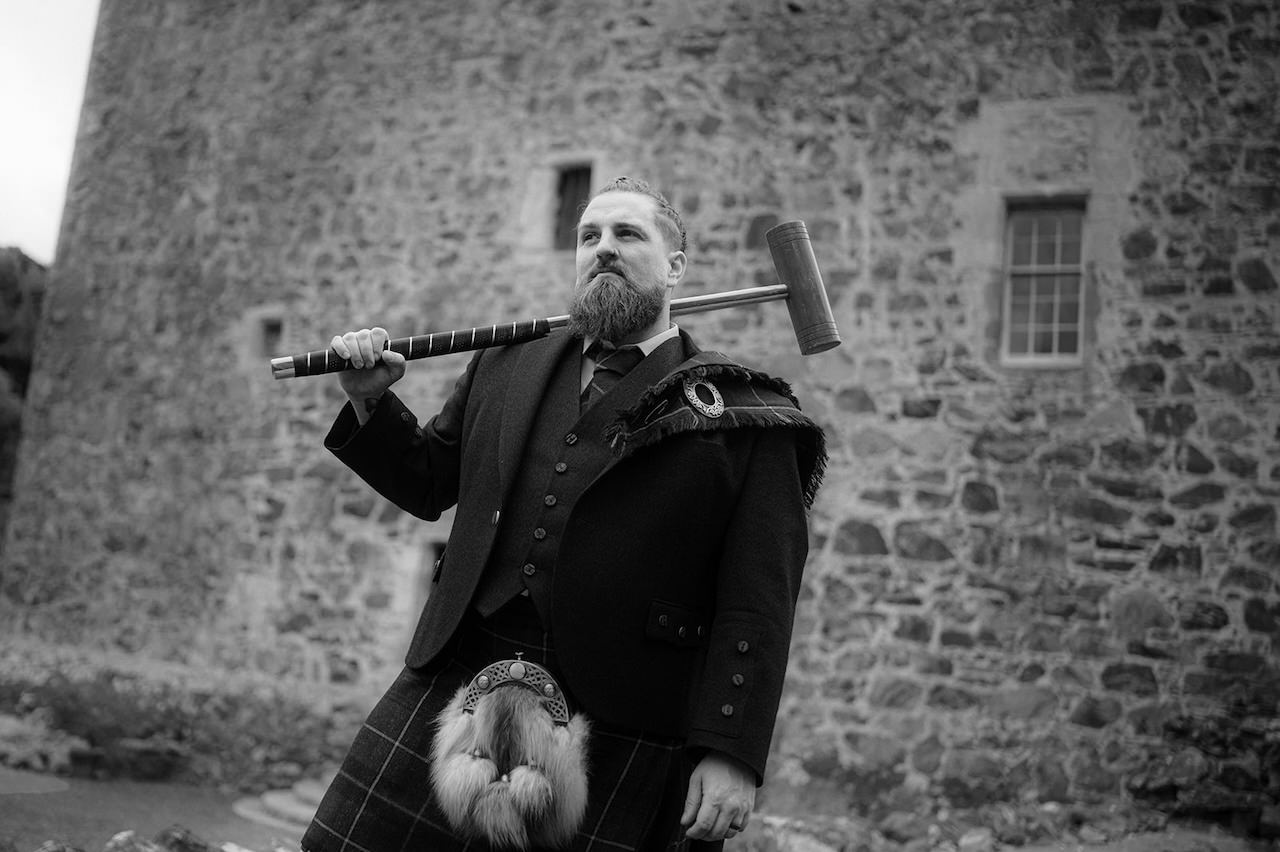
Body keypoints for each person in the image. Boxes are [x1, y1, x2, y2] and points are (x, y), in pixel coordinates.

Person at [301, 177, 826, 852]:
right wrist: (371, 401)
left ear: (676, 267)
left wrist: (732, 751)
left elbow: (759, 602)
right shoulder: (508, 362)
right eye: (589, 236)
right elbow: (429, 480)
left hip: (625, 711)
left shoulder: (746, 416)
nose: (603, 249)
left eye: (628, 234)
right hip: (459, 674)